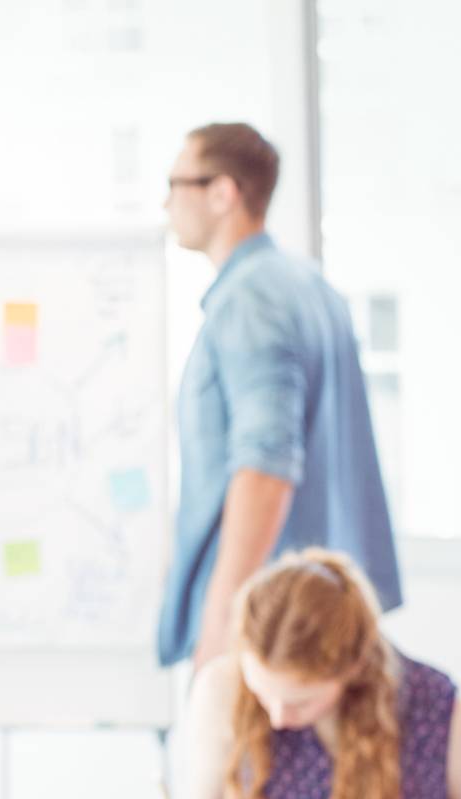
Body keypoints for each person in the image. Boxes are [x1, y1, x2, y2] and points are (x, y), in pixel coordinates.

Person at [157, 122, 401, 672]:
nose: (166, 201)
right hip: (323, 614)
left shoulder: (250, 300)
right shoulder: (308, 285)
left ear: (223, 192)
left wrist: (220, 626)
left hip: (268, 625)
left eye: (176, 183)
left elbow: (265, 467)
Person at [156, 549, 461, 799]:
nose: (278, 717)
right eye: (263, 693)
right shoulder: (223, 689)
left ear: (352, 668)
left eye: (301, 701)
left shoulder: (432, 707)